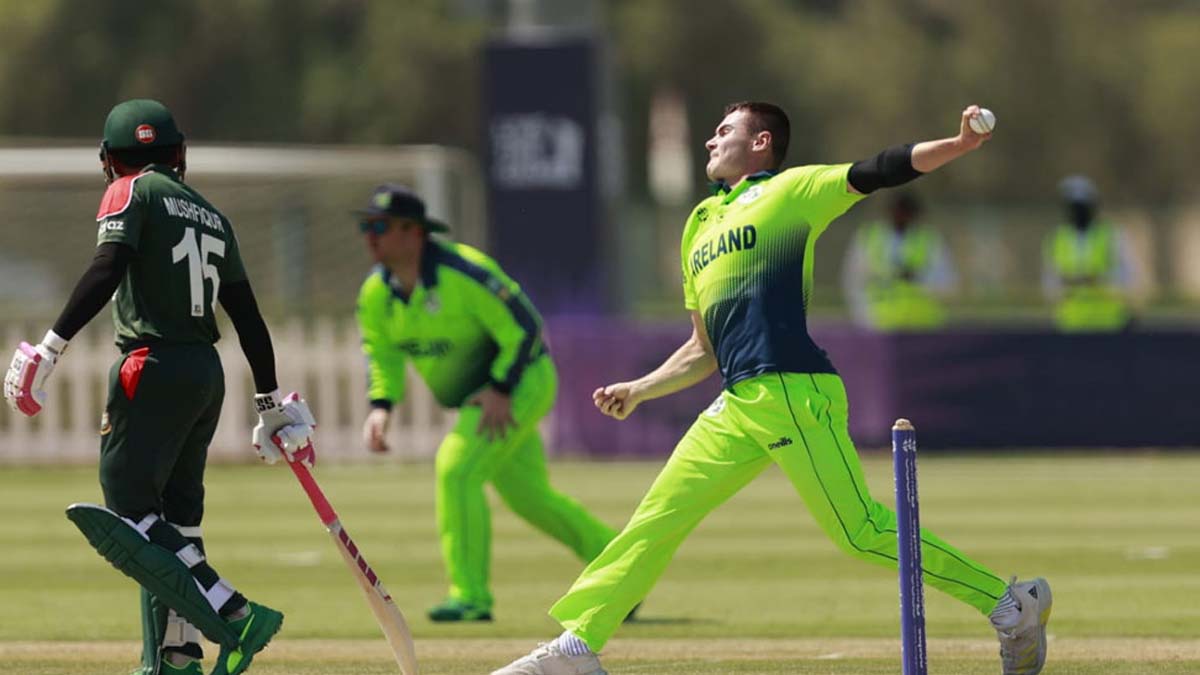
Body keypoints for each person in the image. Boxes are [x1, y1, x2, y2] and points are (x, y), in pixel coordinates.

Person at [492, 102, 1052, 675]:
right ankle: (577, 649)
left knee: (860, 532)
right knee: (656, 519)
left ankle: (1011, 605)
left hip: (792, 390)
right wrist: (640, 389)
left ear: (761, 142)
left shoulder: (792, 191)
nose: (710, 141)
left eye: (724, 131)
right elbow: (702, 348)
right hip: (736, 403)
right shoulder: (699, 223)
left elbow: (881, 168)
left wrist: (957, 145)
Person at [2, 99, 316, 675]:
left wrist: (49, 349)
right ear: (181, 153)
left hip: (151, 365)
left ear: (107, 159)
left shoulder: (130, 190)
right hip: (205, 373)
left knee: (128, 514)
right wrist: (269, 403)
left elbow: (108, 266)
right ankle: (176, 655)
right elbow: (248, 318)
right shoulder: (214, 217)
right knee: (177, 520)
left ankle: (237, 613)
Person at [354, 184, 621, 622]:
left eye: (380, 227)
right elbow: (382, 354)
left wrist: (501, 388)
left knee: (456, 469)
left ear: (414, 232)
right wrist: (381, 407)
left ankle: (470, 596)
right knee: (530, 499)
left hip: (521, 383)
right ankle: (621, 573)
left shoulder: (464, 272)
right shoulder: (376, 295)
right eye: (367, 227)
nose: (370, 237)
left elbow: (525, 325)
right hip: (488, 395)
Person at [842, 191, 957, 331]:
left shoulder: (929, 240)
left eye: (906, 213)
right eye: (899, 211)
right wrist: (864, 318)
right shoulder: (869, 237)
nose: (902, 217)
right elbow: (853, 281)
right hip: (879, 326)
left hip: (922, 325)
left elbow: (947, 283)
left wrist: (918, 278)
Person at [1042, 175, 1136, 332]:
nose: (1078, 213)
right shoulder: (1056, 239)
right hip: (1070, 324)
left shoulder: (1111, 235)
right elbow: (1050, 284)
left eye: (1082, 207)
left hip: (1109, 322)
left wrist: (1097, 279)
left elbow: (1127, 277)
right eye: (1073, 207)